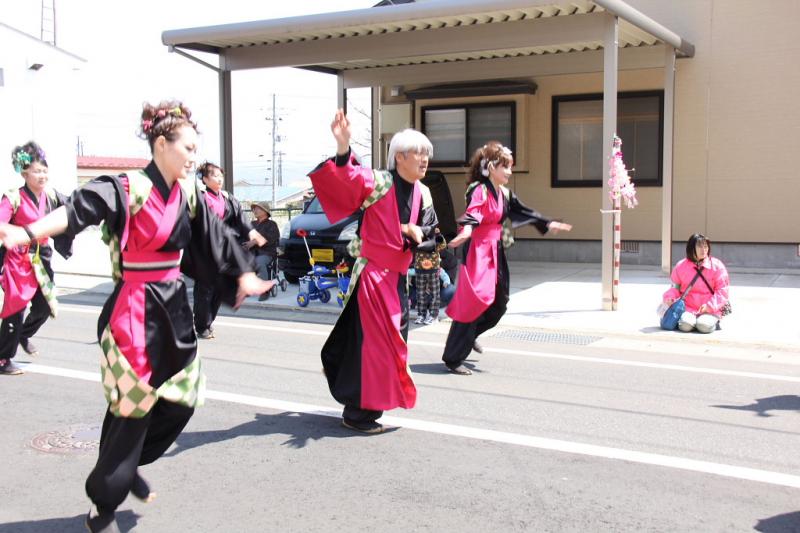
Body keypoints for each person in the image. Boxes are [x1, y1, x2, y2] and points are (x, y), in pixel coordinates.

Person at [0, 101, 273, 533]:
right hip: (133, 309)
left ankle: (126, 464)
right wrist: (27, 231)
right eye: (187, 147)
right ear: (161, 144)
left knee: (183, 398)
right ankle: (103, 504)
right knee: (133, 407)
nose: (192, 156)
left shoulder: (186, 193)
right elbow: (76, 210)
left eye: (195, 149)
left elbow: (214, 236)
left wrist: (242, 273)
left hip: (174, 307)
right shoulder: (126, 187)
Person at [308, 110, 437, 434]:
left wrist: (414, 233)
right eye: (418, 153)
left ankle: (355, 391)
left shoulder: (424, 192)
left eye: (427, 154)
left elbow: (432, 231)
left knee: (391, 345)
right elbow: (349, 177)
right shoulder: (380, 181)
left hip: (397, 279)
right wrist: (343, 146)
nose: (424, 160)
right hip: (374, 277)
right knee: (376, 347)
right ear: (400, 156)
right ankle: (358, 414)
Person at [442, 141, 572, 375]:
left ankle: (470, 336)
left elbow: (523, 211)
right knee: (474, 301)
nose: (510, 172)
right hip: (478, 250)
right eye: (506, 167)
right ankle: (453, 357)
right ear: (491, 167)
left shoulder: (504, 194)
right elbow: (474, 212)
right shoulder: (478, 190)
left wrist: (548, 223)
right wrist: (467, 231)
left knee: (499, 303)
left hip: (495, 250)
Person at [0, 141, 71, 375]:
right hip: (18, 258)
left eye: (44, 170)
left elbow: (75, 205)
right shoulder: (13, 197)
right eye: (37, 171)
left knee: (43, 306)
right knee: (16, 308)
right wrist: (11, 234)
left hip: (41, 258)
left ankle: (23, 334)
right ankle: (2, 358)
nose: (42, 175)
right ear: (24, 173)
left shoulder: (50, 196)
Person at [193, 161, 266, 339]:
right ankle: (202, 325)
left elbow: (241, 219)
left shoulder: (227, 198)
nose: (219, 179)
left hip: (224, 249)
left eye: (221, 176)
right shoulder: (199, 197)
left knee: (220, 287)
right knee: (204, 289)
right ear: (204, 179)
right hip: (205, 249)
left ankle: (208, 322)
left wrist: (252, 232)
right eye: (214, 176)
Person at [662, 233, 730, 333]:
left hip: (710, 309)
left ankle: (707, 323)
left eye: (705, 246)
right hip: (688, 308)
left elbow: (722, 291)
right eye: (699, 246)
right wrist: (670, 298)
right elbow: (674, 288)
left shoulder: (717, 266)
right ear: (691, 247)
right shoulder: (681, 266)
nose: (704, 250)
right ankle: (692, 323)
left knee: (703, 326)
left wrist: (709, 306)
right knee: (685, 326)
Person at [244, 200, 280, 300]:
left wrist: (255, 242)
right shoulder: (252, 223)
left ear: (265, 211)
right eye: (254, 208)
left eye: (258, 208)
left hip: (267, 252)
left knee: (259, 262)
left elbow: (271, 239)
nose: (255, 210)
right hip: (252, 252)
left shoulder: (272, 224)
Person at [413, 230, 447, 324]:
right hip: (419, 268)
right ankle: (421, 315)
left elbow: (443, 245)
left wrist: (438, 234)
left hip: (433, 269)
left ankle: (433, 316)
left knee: (434, 294)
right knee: (420, 294)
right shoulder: (418, 232)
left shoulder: (435, 234)